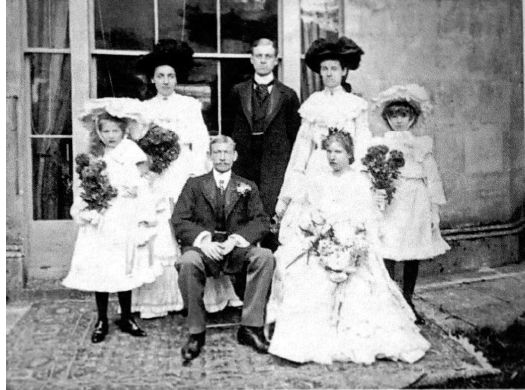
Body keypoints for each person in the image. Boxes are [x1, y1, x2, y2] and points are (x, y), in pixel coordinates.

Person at [267, 131, 431, 365]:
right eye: (329, 152)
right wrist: (318, 231)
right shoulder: (319, 180)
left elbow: (366, 220)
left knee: (361, 288)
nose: (332, 157)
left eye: (338, 152)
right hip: (323, 243)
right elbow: (311, 213)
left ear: (350, 154)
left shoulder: (359, 182)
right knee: (302, 276)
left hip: (351, 244)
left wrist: (349, 243)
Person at [132, 39, 241, 318]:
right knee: (161, 233)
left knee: (195, 227)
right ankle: (163, 299)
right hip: (159, 174)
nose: (166, 81)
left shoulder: (190, 105)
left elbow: (201, 142)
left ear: (176, 78)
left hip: (185, 171)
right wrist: (151, 165)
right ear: (153, 80)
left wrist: (199, 176)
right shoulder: (144, 110)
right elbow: (138, 147)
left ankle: (204, 294)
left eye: (170, 76)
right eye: (160, 76)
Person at [63, 100, 160, 343]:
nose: (110, 136)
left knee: (124, 266)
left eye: (115, 131)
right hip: (102, 217)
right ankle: (102, 319)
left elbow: (142, 183)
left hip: (124, 216)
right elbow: (86, 184)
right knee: (102, 266)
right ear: (98, 132)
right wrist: (89, 204)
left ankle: (126, 316)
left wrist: (139, 206)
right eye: (105, 131)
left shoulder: (131, 152)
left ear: (124, 131)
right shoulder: (95, 155)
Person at [172, 135, 275, 362]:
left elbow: (260, 221)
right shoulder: (194, 185)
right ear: (209, 156)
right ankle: (196, 332)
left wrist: (236, 239)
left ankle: (250, 327)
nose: (221, 157)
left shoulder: (247, 186)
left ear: (234, 156)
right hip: (204, 250)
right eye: (217, 152)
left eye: (226, 152)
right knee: (187, 262)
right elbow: (179, 219)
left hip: (235, 249)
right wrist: (203, 241)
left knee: (265, 257)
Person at [370, 84, 451, 324]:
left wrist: (434, 210)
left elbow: (432, 176)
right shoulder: (381, 143)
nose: (398, 120)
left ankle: (407, 299)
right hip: (393, 200)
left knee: (411, 251)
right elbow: (375, 175)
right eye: (393, 115)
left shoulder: (421, 144)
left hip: (416, 199)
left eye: (403, 115)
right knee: (390, 248)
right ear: (387, 118)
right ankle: (389, 300)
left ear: (412, 117)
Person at [275, 37, 372, 219]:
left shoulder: (356, 105)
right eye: (324, 69)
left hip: (346, 168)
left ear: (344, 71)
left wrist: (360, 176)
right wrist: (287, 193)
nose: (328, 74)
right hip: (317, 166)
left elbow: (362, 144)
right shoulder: (313, 102)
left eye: (334, 68)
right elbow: (302, 149)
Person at [225, 39, 301, 247]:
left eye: (268, 56)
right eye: (259, 56)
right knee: (240, 222)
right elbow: (228, 129)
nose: (263, 61)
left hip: (274, 169)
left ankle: (270, 276)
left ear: (275, 61)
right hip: (243, 167)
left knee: (270, 223)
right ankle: (241, 277)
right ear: (252, 59)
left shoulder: (288, 95)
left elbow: (295, 137)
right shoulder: (237, 92)